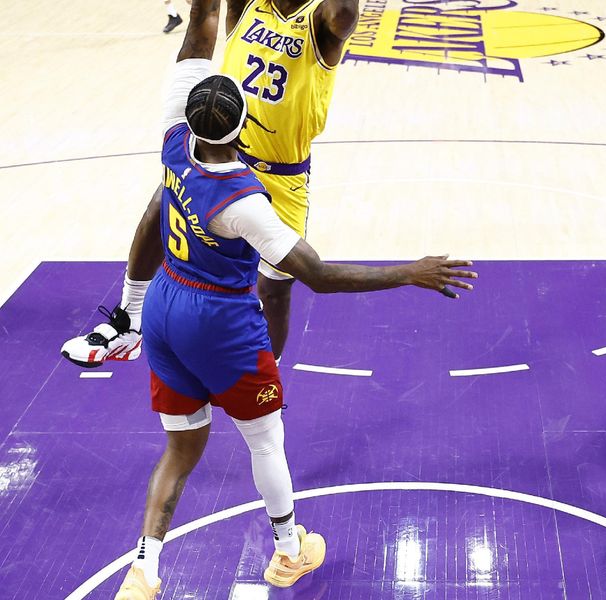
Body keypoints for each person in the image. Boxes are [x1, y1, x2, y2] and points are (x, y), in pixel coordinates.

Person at [113, 3, 476, 599]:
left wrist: (132, 297)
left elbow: (195, 48)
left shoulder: (174, 139)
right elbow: (322, 275)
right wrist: (411, 271)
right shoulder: (245, 202)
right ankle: (288, 552)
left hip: (165, 308)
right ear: (241, 123)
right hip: (220, 324)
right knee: (266, 439)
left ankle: (144, 569)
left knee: (180, 449)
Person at [61, 0, 360, 368]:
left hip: (283, 175)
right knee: (161, 205)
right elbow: (206, 14)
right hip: (225, 153)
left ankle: (267, 376)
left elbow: (344, 14)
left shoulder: (321, 19)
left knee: (275, 291)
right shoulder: (246, 6)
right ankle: (129, 319)